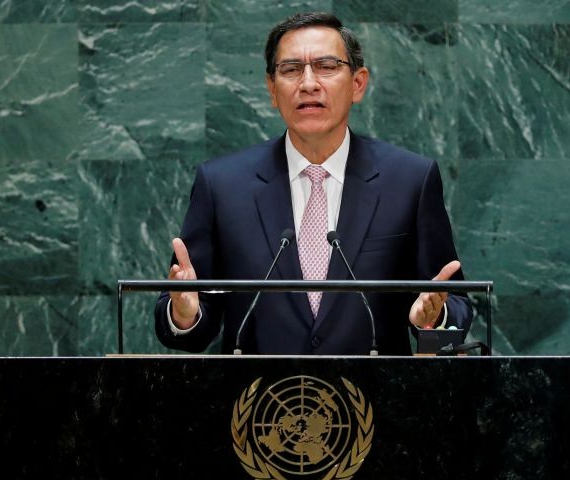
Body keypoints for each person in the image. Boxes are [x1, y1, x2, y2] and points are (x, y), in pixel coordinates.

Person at [155, 12, 472, 355]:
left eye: (326, 66)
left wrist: (435, 321)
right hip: (257, 403)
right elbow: (185, 329)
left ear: (358, 83)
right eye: (291, 70)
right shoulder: (221, 185)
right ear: (272, 89)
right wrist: (185, 315)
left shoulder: (410, 179)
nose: (308, 83)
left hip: (377, 401)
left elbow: (455, 312)